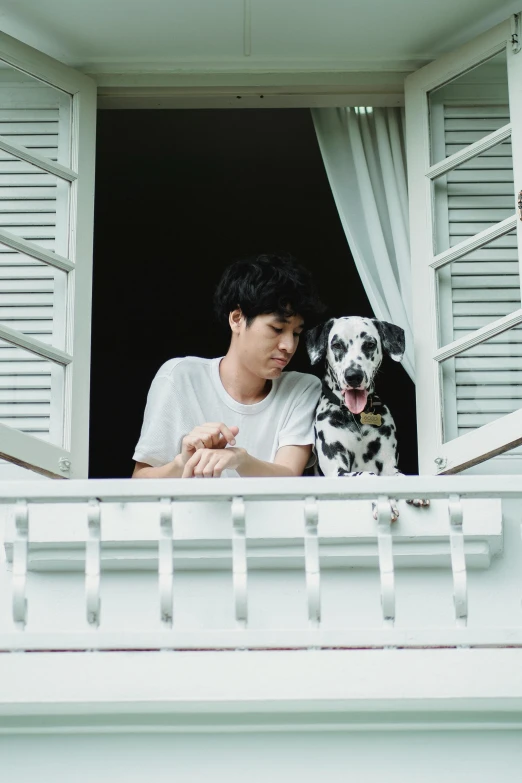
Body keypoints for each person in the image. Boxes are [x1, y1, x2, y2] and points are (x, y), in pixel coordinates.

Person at [132, 253, 324, 479]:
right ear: (236, 319)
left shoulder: (302, 389)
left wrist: (239, 460)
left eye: (296, 333)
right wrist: (183, 462)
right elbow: (140, 480)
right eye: (277, 329)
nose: (289, 345)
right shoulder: (179, 377)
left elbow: (288, 475)